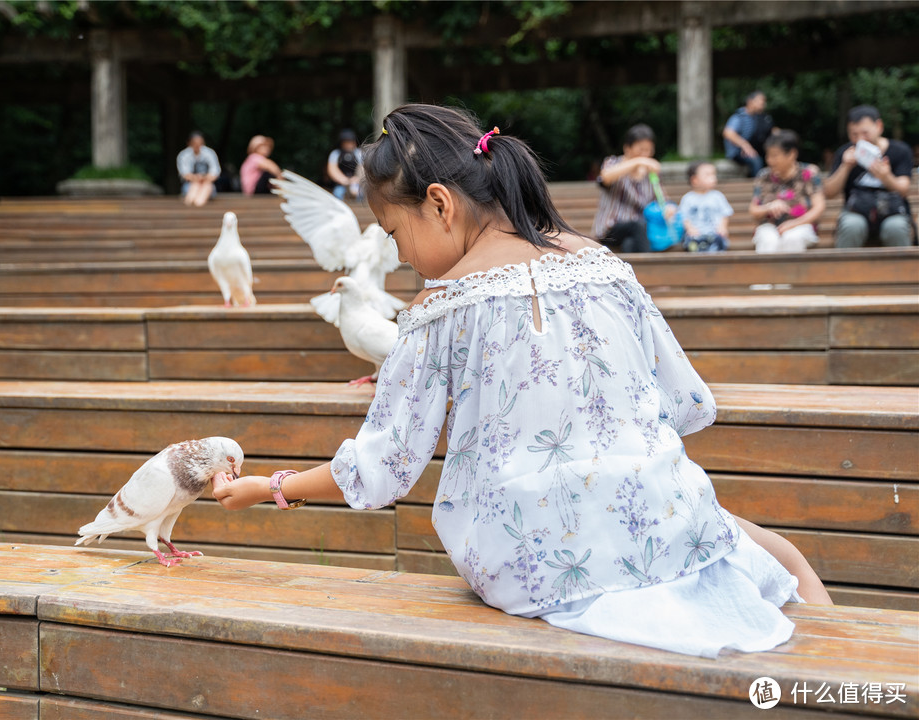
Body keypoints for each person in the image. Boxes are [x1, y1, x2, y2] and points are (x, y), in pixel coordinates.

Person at [213, 104, 831, 658]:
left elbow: (383, 469)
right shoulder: (605, 265)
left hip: (529, 559)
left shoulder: (441, 308)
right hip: (660, 516)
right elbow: (688, 403)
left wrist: (272, 486)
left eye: (396, 233)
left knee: (760, 552)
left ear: (439, 203)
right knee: (783, 559)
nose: (399, 255)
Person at [824, 105, 915, 248]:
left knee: (896, 228)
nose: (860, 139)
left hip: (893, 212)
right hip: (856, 212)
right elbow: (828, 192)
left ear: (879, 126)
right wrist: (845, 166)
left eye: (865, 133)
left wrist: (885, 177)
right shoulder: (845, 152)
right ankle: (845, 270)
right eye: (854, 134)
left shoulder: (900, 150)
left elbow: (903, 189)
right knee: (851, 226)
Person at [749, 130, 825, 254]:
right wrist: (769, 207)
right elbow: (753, 210)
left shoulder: (808, 173)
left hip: (802, 225)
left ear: (792, 154)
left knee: (792, 238)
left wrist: (794, 223)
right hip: (769, 226)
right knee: (768, 239)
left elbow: (819, 207)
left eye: (774, 156)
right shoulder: (763, 176)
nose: (769, 160)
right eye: (768, 155)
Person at [591, 124, 659, 253]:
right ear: (627, 148)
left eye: (649, 150)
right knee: (638, 226)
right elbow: (605, 177)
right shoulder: (613, 163)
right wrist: (638, 162)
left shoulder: (650, 174)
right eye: (641, 150)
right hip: (610, 229)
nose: (645, 155)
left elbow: (659, 201)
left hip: (640, 232)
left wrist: (669, 209)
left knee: (630, 243)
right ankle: (652, 269)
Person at [679, 161, 733, 252]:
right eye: (708, 175)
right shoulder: (687, 198)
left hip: (714, 233)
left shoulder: (717, 196)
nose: (713, 178)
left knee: (719, 240)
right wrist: (690, 228)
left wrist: (722, 227)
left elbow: (725, 214)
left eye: (714, 175)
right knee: (690, 241)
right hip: (696, 234)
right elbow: (684, 216)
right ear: (695, 180)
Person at [722, 91, 774, 178]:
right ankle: (757, 187)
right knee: (756, 160)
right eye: (760, 101)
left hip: (754, 150)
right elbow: (728, 133)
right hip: (738, 151)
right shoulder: (739, 116)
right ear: (750, 101)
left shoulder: (759, 117)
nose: (763, 103)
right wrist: (744, 145)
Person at [176, 130, 221, 207]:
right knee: (195, 185)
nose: (197, 145)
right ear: (189, 143)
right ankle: (195, 202)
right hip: (189, 185)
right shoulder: (184, 155)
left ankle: (196, 202)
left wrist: (204, 178)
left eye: (200, 143)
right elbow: (185, 174)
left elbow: (215, 172)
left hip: (207, 183)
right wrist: (197, 178)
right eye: (195, 143)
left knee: (207, 185)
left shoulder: (210, 153)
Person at [327, 129, 364, 201]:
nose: (349, 144)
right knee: (338, 194)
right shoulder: (336, 154)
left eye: (350, 142)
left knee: (360, 195)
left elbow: (363, 168)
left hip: (356, 183)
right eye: (346, 142)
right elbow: (332, 170)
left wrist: (357, 179)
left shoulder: (359, 153)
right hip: (342, 184)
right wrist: (345, 181)